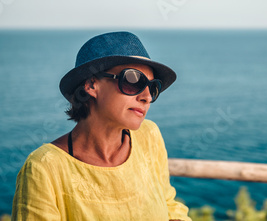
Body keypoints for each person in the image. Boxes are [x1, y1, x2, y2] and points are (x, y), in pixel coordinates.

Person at [11, 31, 191, 221]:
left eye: (153, 87)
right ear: (91, 85)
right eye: (133, 80)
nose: (146, 96)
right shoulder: (44, 169)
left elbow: (169, 204)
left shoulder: (149, 135)